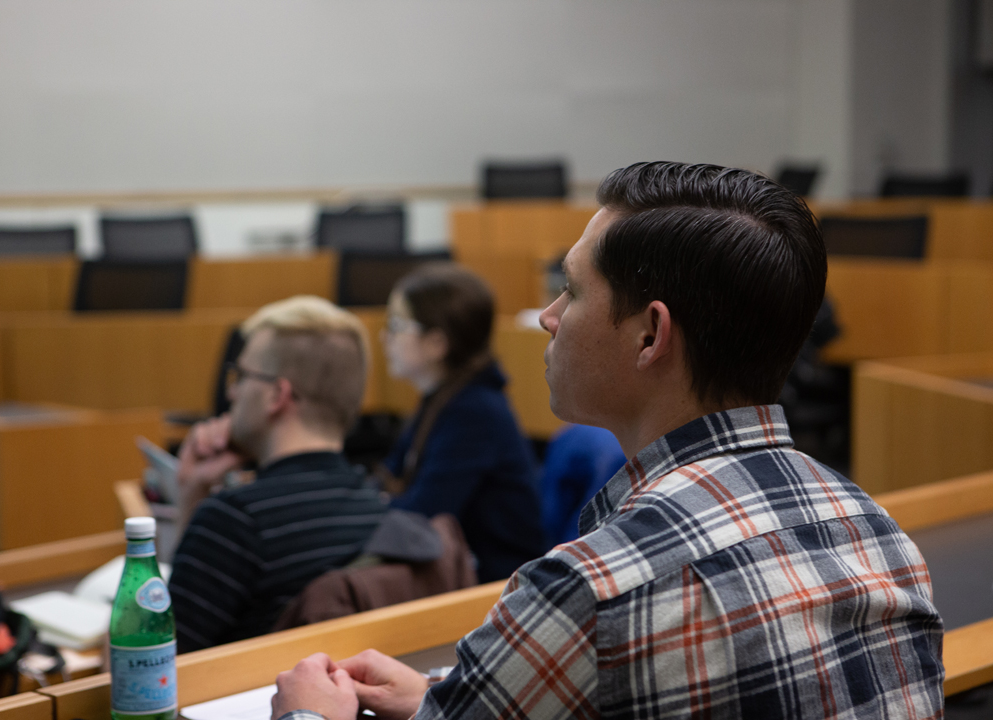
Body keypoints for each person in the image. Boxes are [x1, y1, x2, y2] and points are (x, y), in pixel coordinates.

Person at [270, 162, 944, 719]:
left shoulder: (592, 588)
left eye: (570, 290)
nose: (547, 316)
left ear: (650, 334)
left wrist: (309, 716)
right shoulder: (877, 532)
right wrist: (435, 704)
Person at [167, 295, 387, 652]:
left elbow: (135, 672)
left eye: (242, 375)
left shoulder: (234, 521)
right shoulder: (375, 503)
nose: (232, 391)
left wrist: (189, 501)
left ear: (277, 395)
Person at [379, 263, 544, 582]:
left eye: (397, 324)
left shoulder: (475, 411)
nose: (386, 335)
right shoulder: (443, 397)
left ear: (437, 343)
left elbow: (422, 515)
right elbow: (392, 475)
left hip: (497, 584)